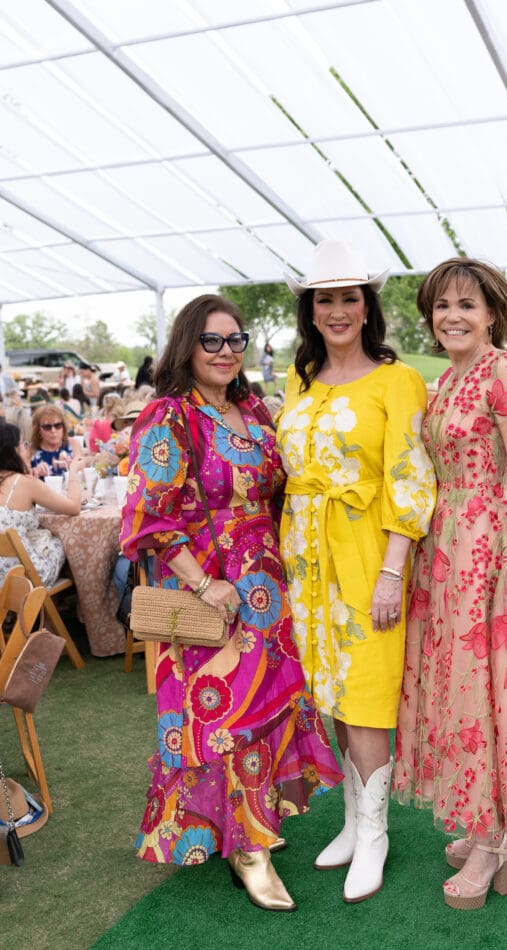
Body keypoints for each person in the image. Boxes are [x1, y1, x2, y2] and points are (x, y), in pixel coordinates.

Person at [119, 293, 342, 913]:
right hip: (211, 593)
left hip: (268, 586)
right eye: (211, 341)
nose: (225, 352)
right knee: (225, 719)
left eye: (235, 340)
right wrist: (203, 582)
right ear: (186, 345)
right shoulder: (168, 416)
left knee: (266, 708)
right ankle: (248, 851)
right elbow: (146, 516)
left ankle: (254, 822)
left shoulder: (254, 410)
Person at [392, 257, 507, 911]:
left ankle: (493, 842)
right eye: (440, 306)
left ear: (491, 313)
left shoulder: (504, 370)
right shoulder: (442, 381)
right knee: (453, 689)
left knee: (482, 690)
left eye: (465, 304)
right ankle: (475, 817)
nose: (451, 316)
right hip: (441, 547)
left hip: (482, 548)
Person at [278, 239, 436, 903]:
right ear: (310, 309)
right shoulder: (298, 379)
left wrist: (392, 571)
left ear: (366, 306)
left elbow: (410, 476)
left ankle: (375, 832)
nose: (336, 309)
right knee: (332, 691)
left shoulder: (397, 381)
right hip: (303, 559)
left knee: (367, 690)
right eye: (325, 298)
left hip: (367, 554)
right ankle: (349, 820)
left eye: (348, 297)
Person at [0, 422, 85, 589]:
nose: (26, 449)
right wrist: (73, 471)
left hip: (4, 575)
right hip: (24, 580)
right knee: (62, 540)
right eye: (23, 444)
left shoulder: (21, 481)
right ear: (14, 450)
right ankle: (76, 597)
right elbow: (74, 507)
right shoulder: (24, 483)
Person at [29, 405, 84, 478]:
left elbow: (84, 475)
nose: (53, 430)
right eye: (47, 427)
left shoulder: (73, 444)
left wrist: (73, 466)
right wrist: (35, 472)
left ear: (63, 427)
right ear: (38, 430)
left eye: (57, 425)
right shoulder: (30, 450)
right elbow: (23, 481)